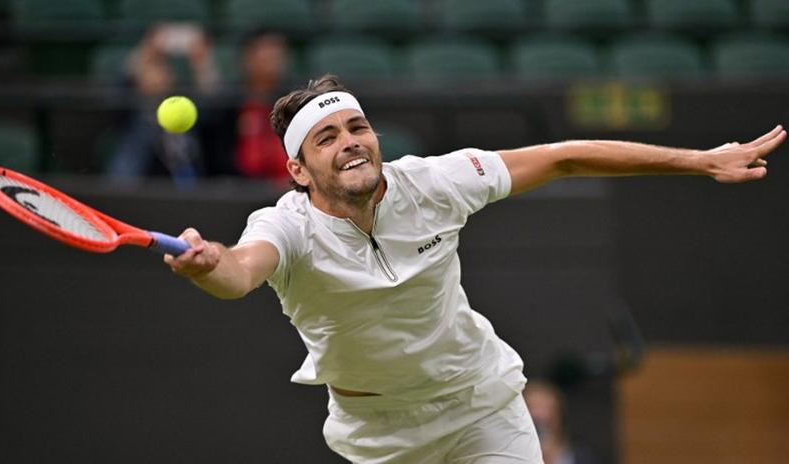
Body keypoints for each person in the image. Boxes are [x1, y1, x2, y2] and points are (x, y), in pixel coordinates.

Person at [163, 75, 785, 463]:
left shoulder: (437, 182)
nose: (349, 141)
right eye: (325, 138)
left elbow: (564, 158)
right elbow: (240, 273)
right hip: (380, 437)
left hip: (480, 405)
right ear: (298, 171)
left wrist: (700, 159)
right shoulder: (285, 227)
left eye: (357, 127)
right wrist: (207, 265)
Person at [106, 23, 221, 184]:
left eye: (163, 68)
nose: (158, 75)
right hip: (140, 189)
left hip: (192, 192)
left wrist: (202, 64)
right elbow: (116, 99)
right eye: (152, 67)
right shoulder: (130, 109)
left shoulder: (185, 106)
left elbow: (214, 107)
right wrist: (146, 51)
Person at [201, 30, 292, 182]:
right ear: (248, 58)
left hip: (289, 189)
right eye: (266, 50)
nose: (273, 57)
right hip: (240, 191)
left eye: (277, 51)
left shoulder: (295, 104)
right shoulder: (229, 106)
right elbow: (219, 157)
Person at [523, 381, 598, 464]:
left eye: (548, 409)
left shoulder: (583, 458)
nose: (540, 415)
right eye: (532, 408)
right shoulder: (510, 457)